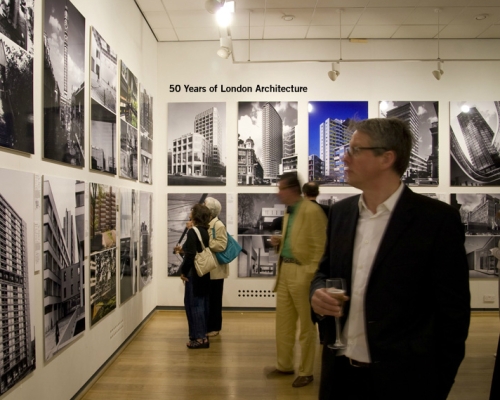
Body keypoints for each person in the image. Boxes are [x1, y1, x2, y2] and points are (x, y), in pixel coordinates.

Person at [310, 117, 471, 400]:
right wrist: (317, 293)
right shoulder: (341, 213)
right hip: (340, 376)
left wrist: (437, 385)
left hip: (404, 381)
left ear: (386, 158)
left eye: (355, 150)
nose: (344, 157)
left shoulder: (436, 221)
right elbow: (324, 272)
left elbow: (453, 315)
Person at [269, 172, 327, 388]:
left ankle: (306, 371)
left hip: (302, 273)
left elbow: (321, 247)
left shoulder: (312, 211)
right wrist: (281, 242)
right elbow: (297, 240)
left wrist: (310, 274)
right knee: (283, 323)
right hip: (285, 270)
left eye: (281, 188)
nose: (278, 192)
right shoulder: (289, 212)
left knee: (306, 326)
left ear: (292, 189)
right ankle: (284, 365)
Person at [174, 203, 212, 349]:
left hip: (194, 273)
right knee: (202, 304)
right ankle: (202, 335)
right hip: (203, 272)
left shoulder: (192, 232)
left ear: (196, 215)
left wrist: (183, 272)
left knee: (194, 304)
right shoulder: (205, 230)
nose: (190, 213)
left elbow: (190, 256)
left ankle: (199, 338)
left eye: (192, 211)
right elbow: (196, 251)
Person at [204, 197, 229, 337]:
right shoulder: (208, 224)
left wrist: (206, 241)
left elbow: (221, 245)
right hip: (209, 268)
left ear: (210, 210)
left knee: (215, 300)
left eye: (205, 205)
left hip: (216, 269)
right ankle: (209, 325)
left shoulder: (218, 225)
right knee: (209, 299)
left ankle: (215, 327)